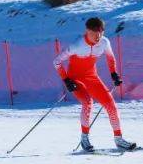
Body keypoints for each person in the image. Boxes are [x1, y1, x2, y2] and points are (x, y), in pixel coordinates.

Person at [54, 17, 136, 152]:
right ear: (87, 31)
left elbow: (111, 58)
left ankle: (119, 140)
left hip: (92, 77)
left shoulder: (104, 42)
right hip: (76, 78)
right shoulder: (77, 45)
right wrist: (66, 80)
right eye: (94, 32)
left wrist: (114, 74)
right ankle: (84, 139)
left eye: (101, 32)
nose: (98, 36)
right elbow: (56, 62)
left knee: (111, 105)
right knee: (87, 103)